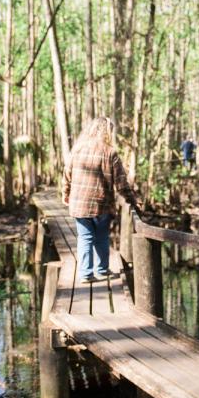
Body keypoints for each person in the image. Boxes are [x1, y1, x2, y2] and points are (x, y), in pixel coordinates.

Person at [62, 117, 140, 283]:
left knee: (85, 238)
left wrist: (65, 193)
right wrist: (132, 200)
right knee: (102, 237)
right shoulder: (110, 152)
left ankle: (86, 274)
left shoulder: (78, 149)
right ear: (107, 132)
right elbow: (121, 183)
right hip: (101, 204)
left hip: (79, 204)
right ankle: (102, 270)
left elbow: (67, 174)